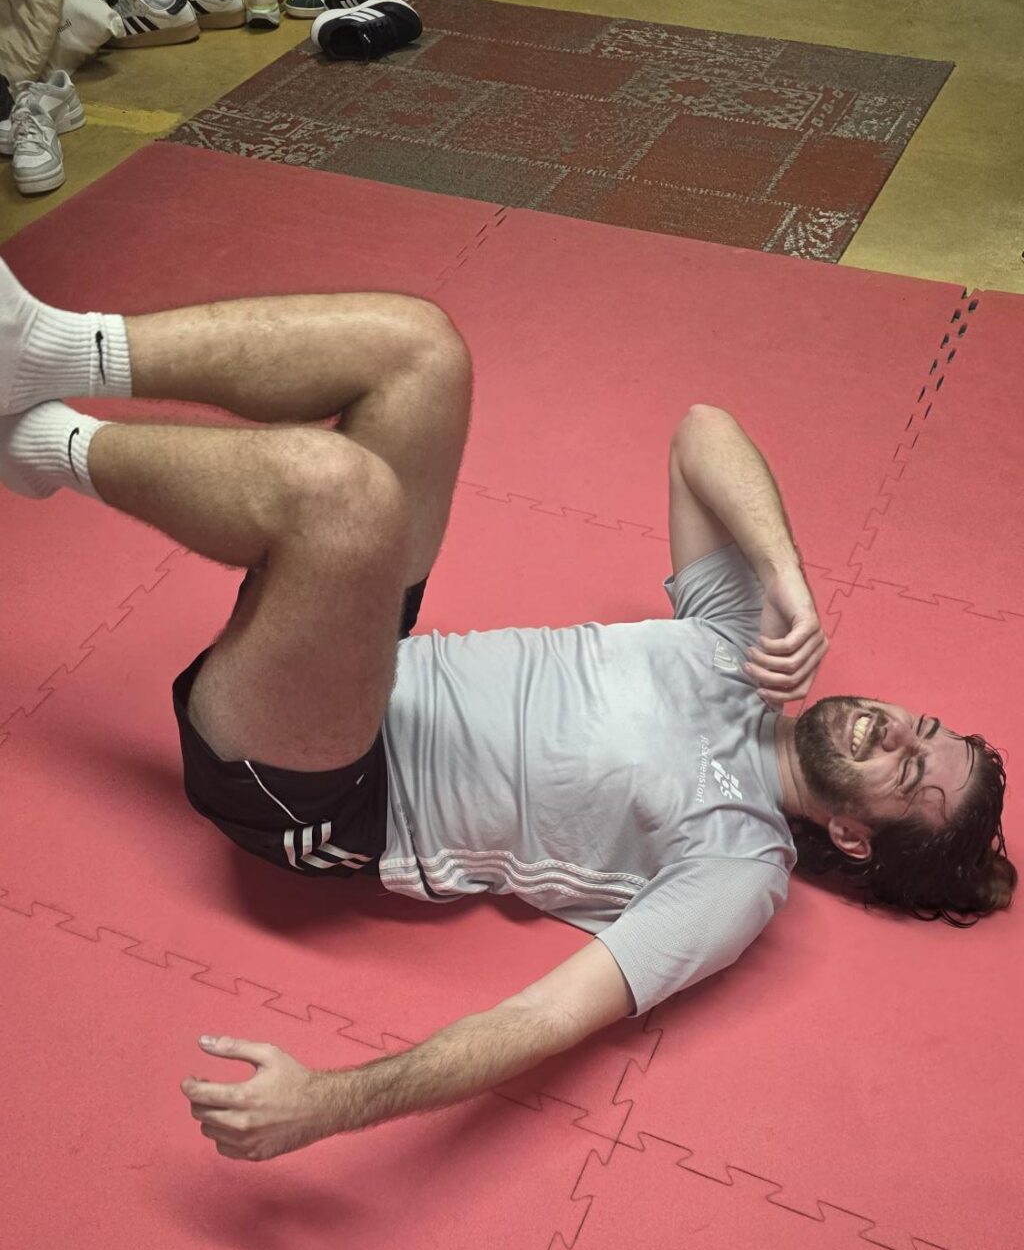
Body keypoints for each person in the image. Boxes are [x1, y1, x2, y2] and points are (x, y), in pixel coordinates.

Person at [0, 267, 1015, 1163]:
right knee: (421, 348)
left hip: (324, 792)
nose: (898, 734)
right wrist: (787, 575)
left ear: (852, 833)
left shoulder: (739, 868)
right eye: (924, 729)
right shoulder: (745, 651)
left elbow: (544, 1019)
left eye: (908, 776)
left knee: (342, 492)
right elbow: (702, 430)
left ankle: (44, 443)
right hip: (357, 651)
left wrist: (329, 1103)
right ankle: (47, 351)